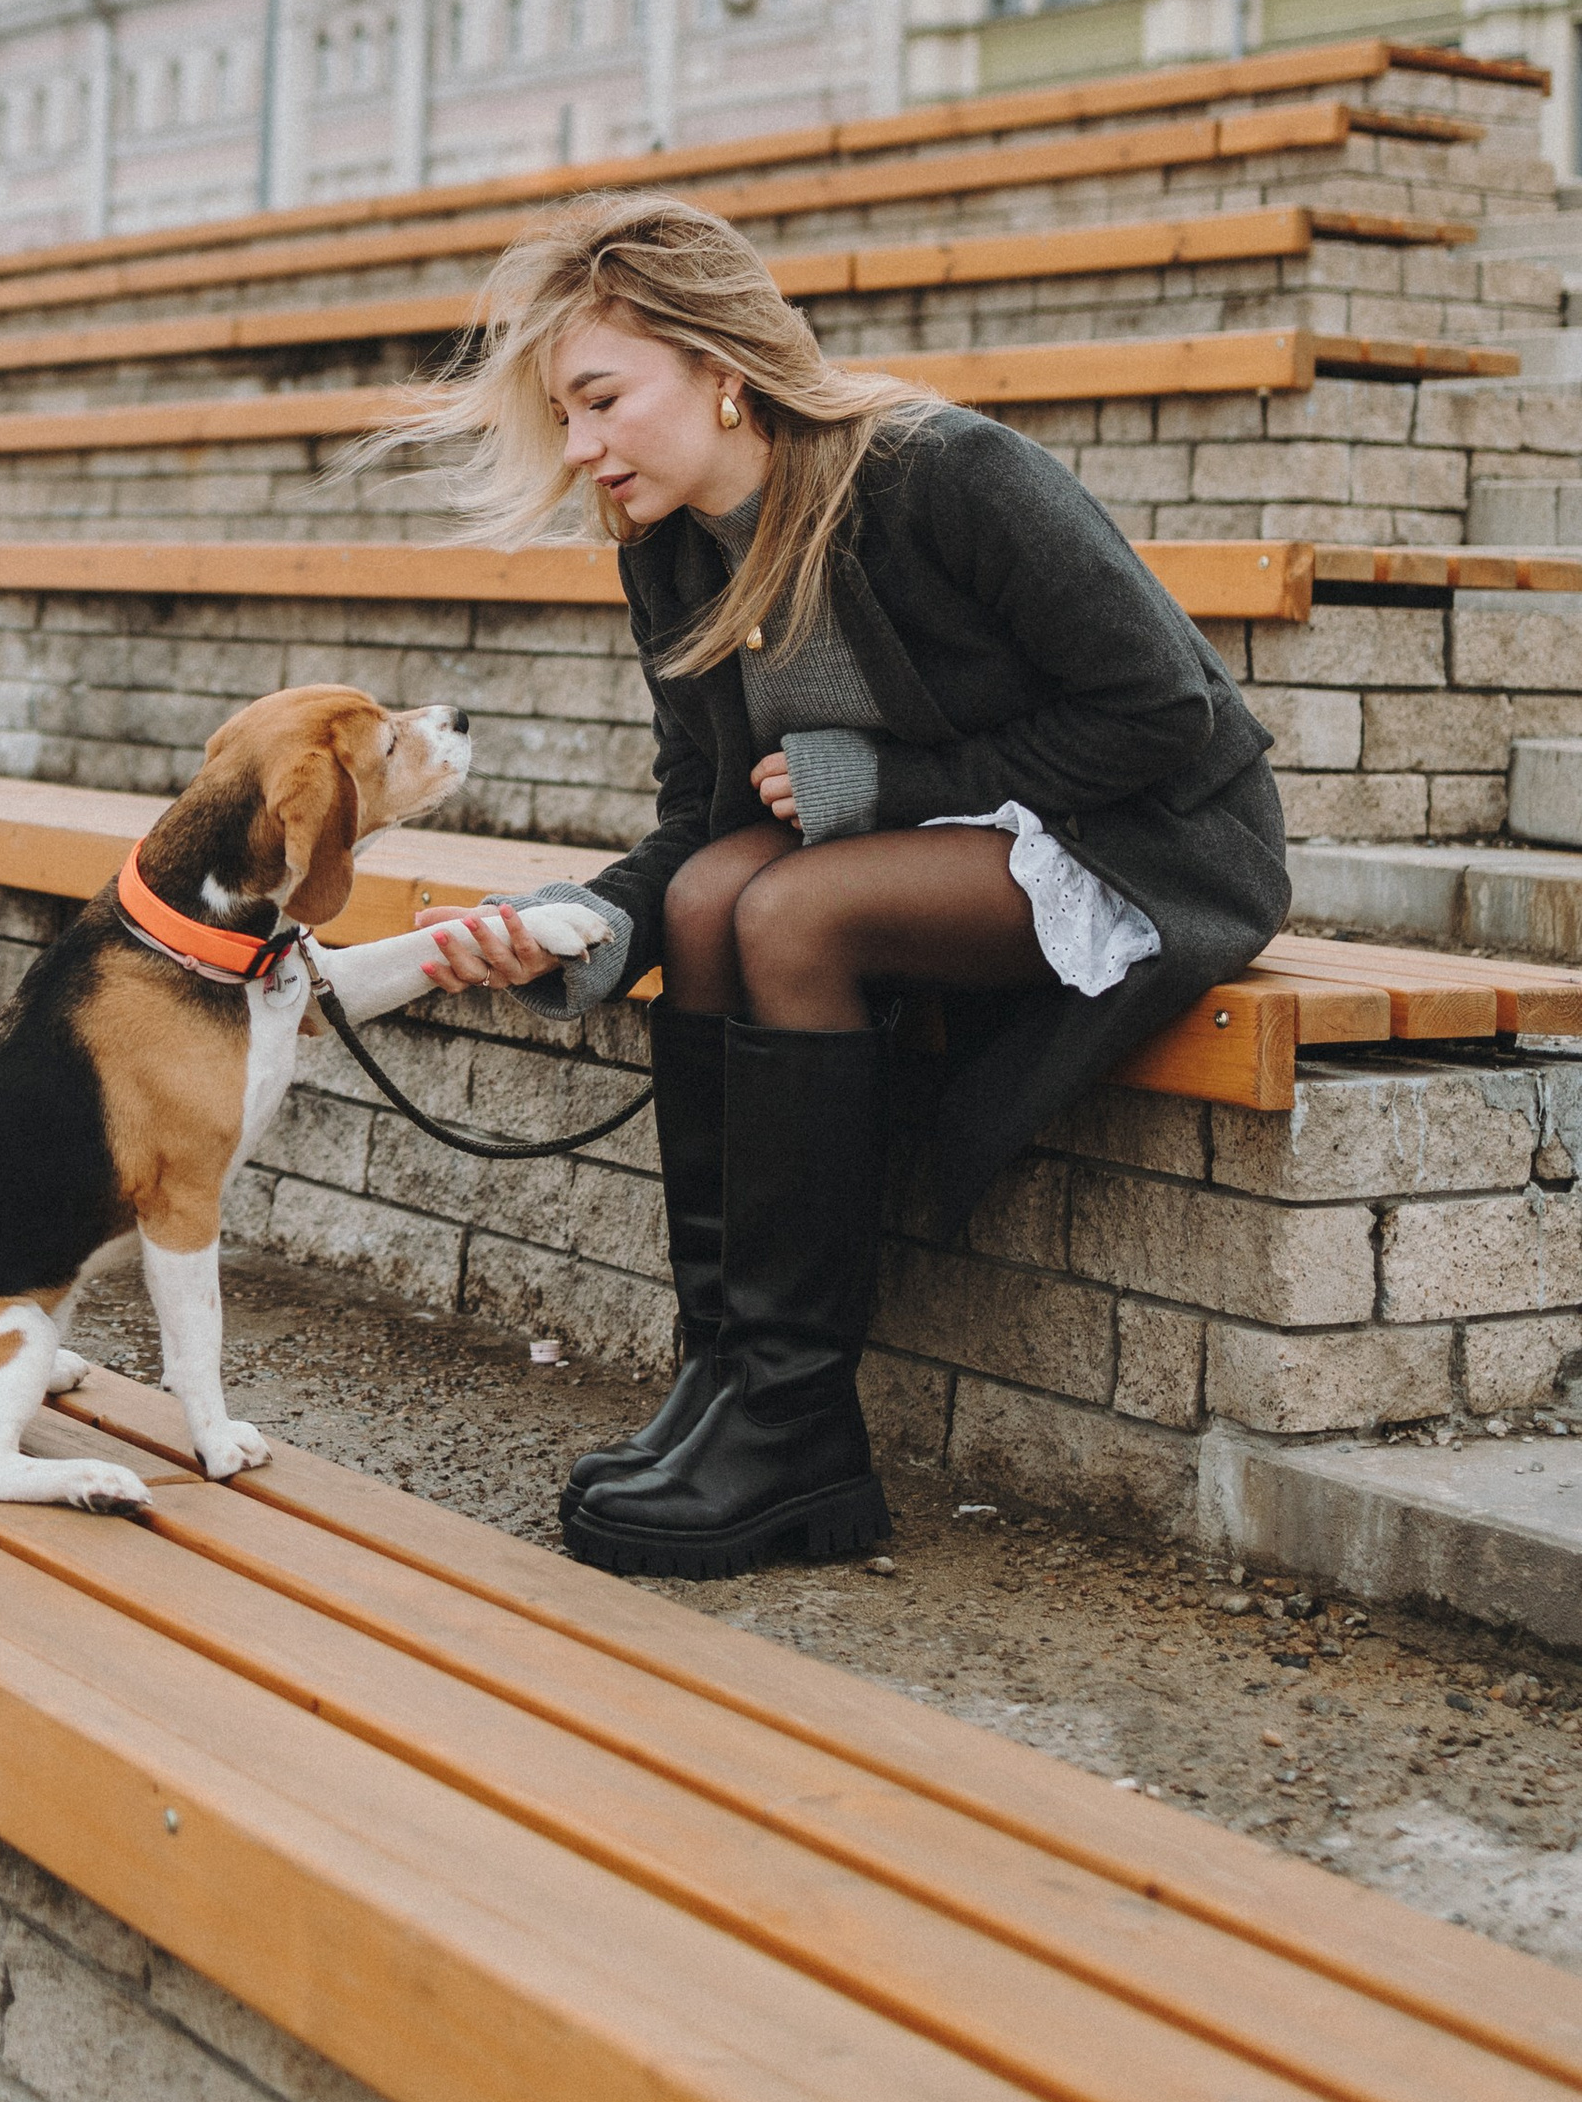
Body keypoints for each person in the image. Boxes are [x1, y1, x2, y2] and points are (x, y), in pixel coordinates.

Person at [397, 195, 1289, 1582]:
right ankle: (733, 1377)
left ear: (721, 369)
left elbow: (1171, 715)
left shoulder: (943, 472)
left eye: (599, 401)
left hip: (1138, 837)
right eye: (563, 417)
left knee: (788, 907)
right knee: (703, 902)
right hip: (935, 827)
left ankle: (802, 1427)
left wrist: (892, 784)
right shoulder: (672, 545)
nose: (579, 449)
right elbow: (695, 821)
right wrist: (584, 920)